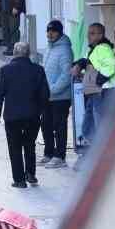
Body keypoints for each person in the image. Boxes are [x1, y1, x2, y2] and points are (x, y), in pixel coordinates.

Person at [0, 42, 49, 188]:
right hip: (33, 115)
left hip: (12, 117)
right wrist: (40, 111)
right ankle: (31, 174)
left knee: (14, 147)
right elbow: (45, 94)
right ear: (28, 53)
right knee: (30, 144)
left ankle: (19, 180)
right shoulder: (38, 70)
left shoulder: (5, 70)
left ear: (14, 53)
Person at [40, 20, 74, 168]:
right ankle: (48, 153)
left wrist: (52, 89)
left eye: (53, 31)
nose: (50, 34)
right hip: (47, 96)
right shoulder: (49, 48)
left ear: (60, 32)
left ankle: (60, 156)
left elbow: (66, 75)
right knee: (46, 125)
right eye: (48, 31)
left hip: (60, 97)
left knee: (59, 127)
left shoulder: (65, 50)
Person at [81, 23, 115, 143]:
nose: (89, 36)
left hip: (103, 91)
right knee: (90, 125)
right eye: (89, 33)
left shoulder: (102, 48)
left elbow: (112, 64)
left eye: (92, 33)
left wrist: (99, 79)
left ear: (100, 35)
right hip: (96, 92)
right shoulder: (94, 49)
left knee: (99, 125)